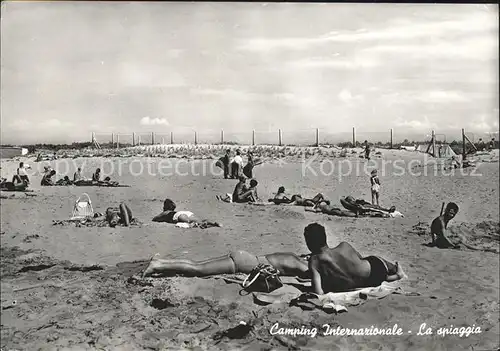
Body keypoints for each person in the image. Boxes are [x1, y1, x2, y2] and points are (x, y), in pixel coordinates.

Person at [305, 223, 406, 293]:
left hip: (363, 284)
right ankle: (396, 271)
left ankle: (396, 275)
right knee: (371, 260)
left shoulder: (314, 262)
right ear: (325, 237)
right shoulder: (344, 246)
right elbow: (360, 259)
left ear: (309, 243)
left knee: (358, 275)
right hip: (375, 272)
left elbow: (318, 291)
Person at [142, 249, 309, 278]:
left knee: (197, 264)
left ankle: (160, 262)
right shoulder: (302, 266)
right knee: (198, 269)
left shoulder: (293, 256)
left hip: (247, 257)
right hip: (245, 264)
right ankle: (157, 266)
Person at [152, 198, 221, 228]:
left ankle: (202, 224)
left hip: (178, 215)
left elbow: (155, 218)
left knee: (188, 222)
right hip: (187, 212)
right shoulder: (174, 211)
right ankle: (213, 223)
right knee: (200, 220)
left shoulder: (166, 212)